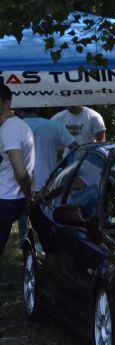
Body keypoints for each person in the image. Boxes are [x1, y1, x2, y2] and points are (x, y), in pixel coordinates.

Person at [17, 107, 78, 243]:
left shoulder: (15, 127)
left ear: (20, 111)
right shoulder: (54, 126)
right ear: (37, 110)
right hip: (48, 184)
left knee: (23, 220)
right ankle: (49, 247)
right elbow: (76, 148)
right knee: (48, 223)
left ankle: (24, 247)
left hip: (21, 182)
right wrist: (66, 169)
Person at [0, 83, 35, 267]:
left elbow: (21, 172)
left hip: (6, 199)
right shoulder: (12, 126)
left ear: (6, 103)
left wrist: (28, 194)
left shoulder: (10, 130)